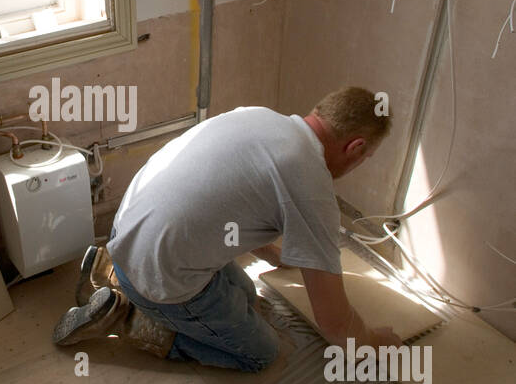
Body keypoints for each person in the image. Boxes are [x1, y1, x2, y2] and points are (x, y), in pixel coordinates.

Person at [53, 87, 402, 368]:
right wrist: (373, 342)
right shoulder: (312, 187)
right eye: (364, 158)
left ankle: (113, 270)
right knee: (260, 352)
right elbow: (335, 323)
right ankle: (128, 317)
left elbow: (229, 200)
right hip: (158, 276)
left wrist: (272, 253)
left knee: (250, 300)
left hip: (127, 233)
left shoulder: (259, 116)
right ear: (355, 148)